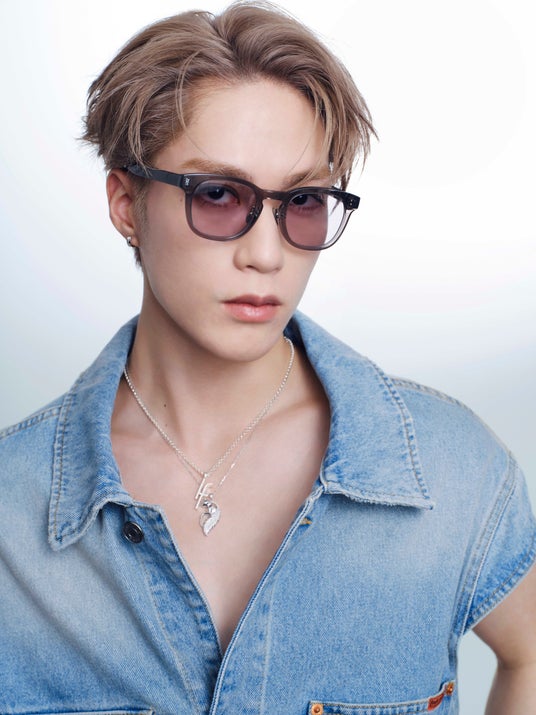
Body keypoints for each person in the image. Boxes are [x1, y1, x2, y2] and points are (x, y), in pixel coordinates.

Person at [0, 2, 534, 712]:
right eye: (219, 195)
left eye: (303, 201)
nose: (266, 253)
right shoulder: (12, 510)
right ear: (127, 204)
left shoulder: (451, 470)